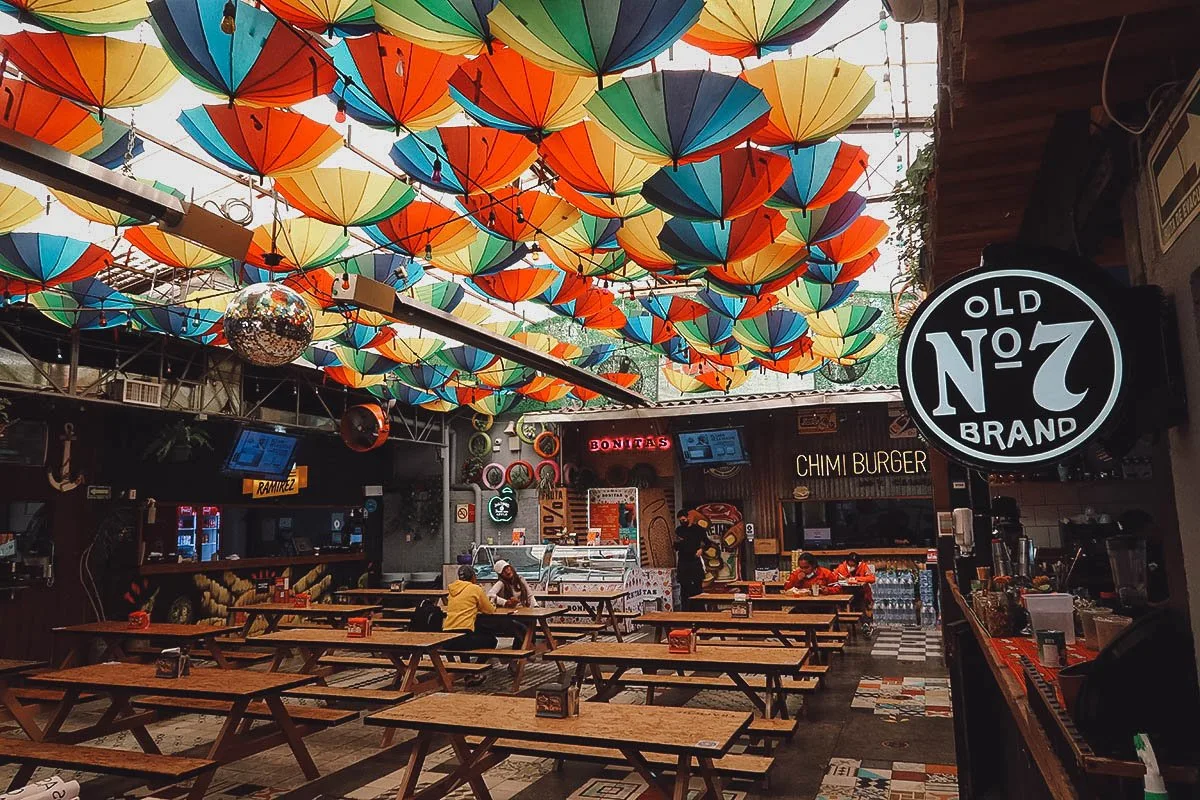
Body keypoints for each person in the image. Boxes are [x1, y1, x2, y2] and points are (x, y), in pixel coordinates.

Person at [442, 565, 497, 686]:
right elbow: (489, 610)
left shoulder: (452, 590)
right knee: (492, 641)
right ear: (473, 576)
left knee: (468, 637)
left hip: (446, 636)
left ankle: (468, 671)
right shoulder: (475, 589)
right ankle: (474, 670)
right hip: (462, 637)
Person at [483, 559, 537, 664]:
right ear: (501, 574)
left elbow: (530, 595)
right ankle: (526, 650)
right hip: (509, 617)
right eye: (504, 571)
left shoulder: (520, 579)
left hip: (523, 613)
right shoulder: (501, 583)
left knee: (530, 622)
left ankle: (517, 656)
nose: (507, 571)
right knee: (521, 627)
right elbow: (490, 595)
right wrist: (505, 602)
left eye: (507, 568)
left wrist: (535, 606)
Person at [674, 510, 707, 610]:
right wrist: (677, 542)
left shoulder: (698, 529)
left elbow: (707, 542)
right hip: (683, 562)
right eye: (680, 521)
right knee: (684, 589)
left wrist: (701, 549)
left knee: (697, 588)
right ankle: (685, 612)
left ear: (688, 518)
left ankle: (700, 611)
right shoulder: (679, 530)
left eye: (683, 520)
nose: (682, 522)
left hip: (695, 561)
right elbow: (675, 546)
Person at [834, 551, 877, 628]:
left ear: (857, 564)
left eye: (853, 565)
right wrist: (838, 577)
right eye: (849, 565)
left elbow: (872, 579)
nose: (851, 567)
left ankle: (865, 625)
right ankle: (844, 628)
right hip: (845, 593)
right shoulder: (842, 567)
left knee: (861, 604)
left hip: (861, 593)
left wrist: (856, 579)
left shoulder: (863, 566)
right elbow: (832, 576)